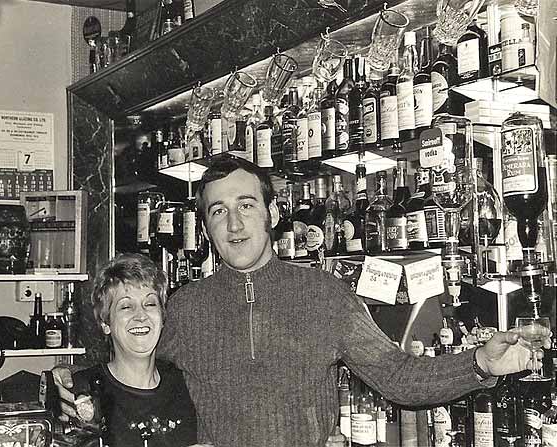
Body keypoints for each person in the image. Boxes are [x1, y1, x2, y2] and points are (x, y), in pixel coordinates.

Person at [56, 154, 551, 447]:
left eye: (246, 206)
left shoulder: (324, 296)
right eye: (218, 212)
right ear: (205, 227)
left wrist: (479, 365)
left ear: (271, 212)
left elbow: (399, 378)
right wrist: (71, 387)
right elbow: (126, 369)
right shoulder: (184, 308)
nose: (234, 224)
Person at [69, 253, 198, 447]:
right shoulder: (83, 391)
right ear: (106, 323)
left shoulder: (185, 383)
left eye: (150, 303)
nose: (141, 315)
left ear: (162, 317)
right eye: (126, 306)